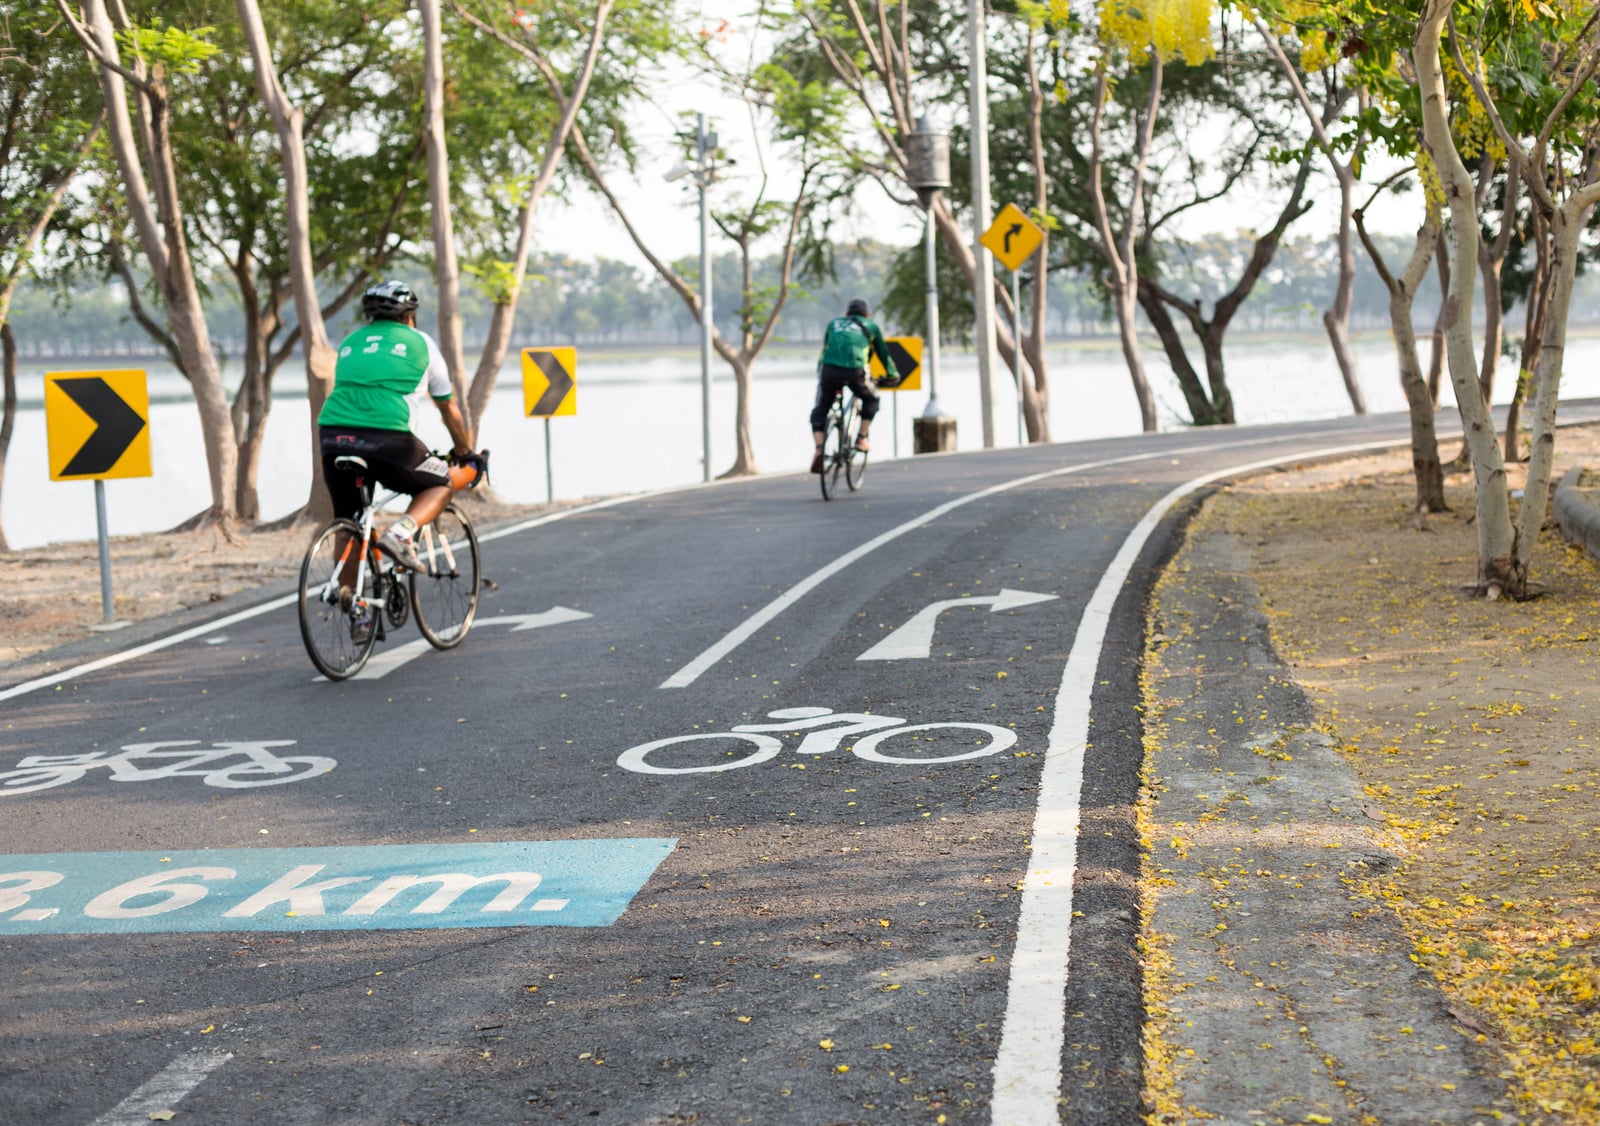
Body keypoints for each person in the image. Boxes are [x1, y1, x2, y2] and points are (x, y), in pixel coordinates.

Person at [317, 280, 481, 586]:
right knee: (441, 482)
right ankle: (400, 533)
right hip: (388, 439)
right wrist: (465, 452)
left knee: (349, 522)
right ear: (410, 315)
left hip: (332, 436)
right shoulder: (421, 343)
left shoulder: (350, 344)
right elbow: (448, 408)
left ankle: (353, 608)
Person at [811, 297, 894, 473]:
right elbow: (883, 354)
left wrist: (821, 372)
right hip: (855, 372)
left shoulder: (834, 324)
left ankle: (819, 448)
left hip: (828, 371)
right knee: (872, 399)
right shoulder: (870, 326)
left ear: (846, 314)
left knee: (820, 409)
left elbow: (826, 349)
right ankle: (862, 438)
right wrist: (892, 374)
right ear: (867, 314)